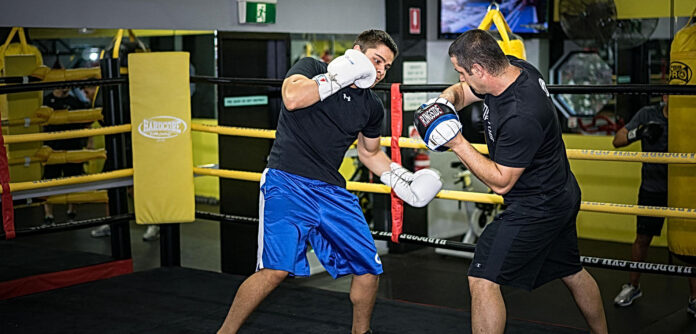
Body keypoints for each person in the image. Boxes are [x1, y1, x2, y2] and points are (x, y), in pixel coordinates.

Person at [217, 29, 443, 334]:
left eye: (386, 67)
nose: (379, 71)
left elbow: (370, 152)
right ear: (357, 51)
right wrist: (339, 78)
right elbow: (293, 98)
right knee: (275, 270)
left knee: (369, 269)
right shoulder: (313, 68)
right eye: (376, 60)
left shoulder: (371, 106)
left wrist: (405, 182)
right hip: (287, 181)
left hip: (331, 191)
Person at [414, 29, 608, 333]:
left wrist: (457, 142)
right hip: (560, 192)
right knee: (571, 270)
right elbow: (465, 91)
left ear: (479, 69)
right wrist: (444, 102)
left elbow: (502, 182)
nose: (460, 79)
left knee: (482, 278)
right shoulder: (514, 68)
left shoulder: (521, 114)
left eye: (462, 72)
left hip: (537, 206)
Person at [611, 96, 696, 317]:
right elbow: (617, 140)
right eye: (669, 94)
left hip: (684, 190)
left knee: (691, 247)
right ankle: (633, 286)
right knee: (642, 240)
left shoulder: (689, 116)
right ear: (665, 97)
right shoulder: (648, 114)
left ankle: (695, 299)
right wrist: (637, 133)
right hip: (652, 188)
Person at [84, 83, 159, 241]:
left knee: (134, 188)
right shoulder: (105, 92)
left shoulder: (125, 88)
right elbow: (100, 117)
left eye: (86, 91)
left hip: (133, 144)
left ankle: (154, 222)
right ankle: (111, 223)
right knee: (110, 187)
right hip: (115, 145)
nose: (86, 95)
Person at [42, 81, 89, 225]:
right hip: (52, 148)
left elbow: (84, 123)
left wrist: (87, 144)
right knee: (49, 181)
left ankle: (71, 214)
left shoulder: (75, 102)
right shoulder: (45, 102)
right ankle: (48, 216)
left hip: (72, 147)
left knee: (73, 181)